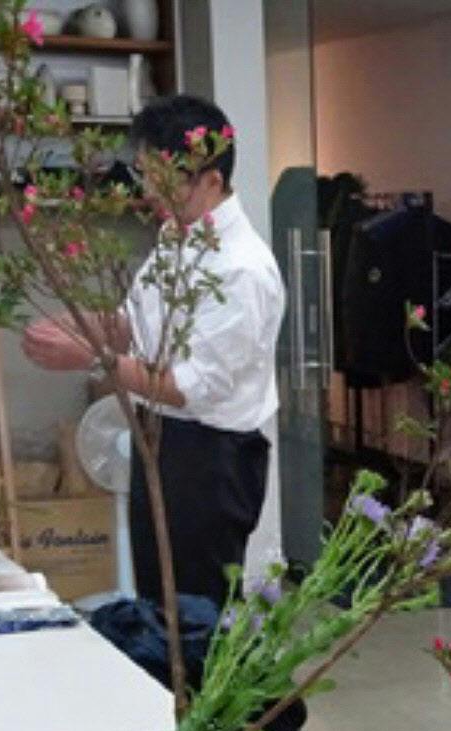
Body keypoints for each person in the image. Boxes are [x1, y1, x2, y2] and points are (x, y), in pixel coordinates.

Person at [22, 94, 284, 609]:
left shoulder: (242, 269)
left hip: (211, 459)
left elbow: (188, 386)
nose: (149, 193)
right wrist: (86, 328)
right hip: (158, 438)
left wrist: (94, 359)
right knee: (156, 604)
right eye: (145, 175)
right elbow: (142, 326)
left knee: (193, 614)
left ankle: (198, 691)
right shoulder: (175, 236)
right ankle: (167, 691)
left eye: (163, 180)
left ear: (211, 180)